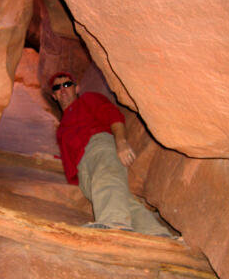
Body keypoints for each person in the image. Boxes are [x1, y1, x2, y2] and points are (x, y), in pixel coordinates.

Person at [50, 71, 172, 236]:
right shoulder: (62, 128)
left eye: (67, 84)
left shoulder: (88, 99)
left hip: (99, 146)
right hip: (83, 169)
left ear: (76, 88)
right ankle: (156, 233)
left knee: (107, 183)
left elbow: (113, 116)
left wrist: (121, 143)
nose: (63, 89)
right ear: (54, 96)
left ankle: (112, 224)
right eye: (57, 87)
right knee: (119, 197)